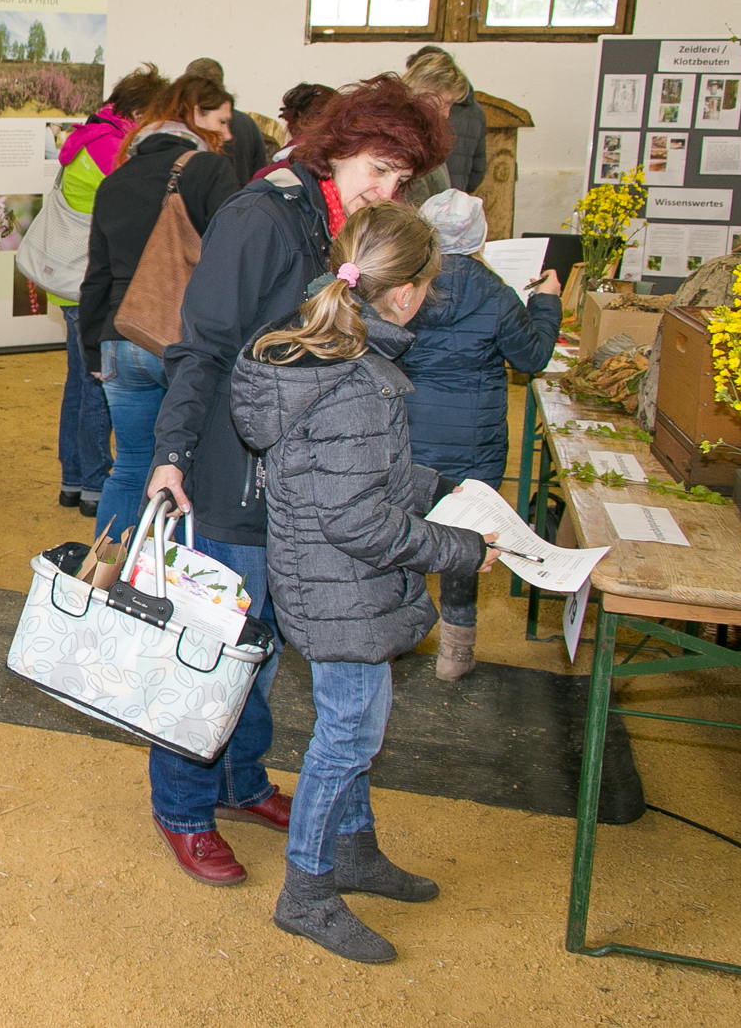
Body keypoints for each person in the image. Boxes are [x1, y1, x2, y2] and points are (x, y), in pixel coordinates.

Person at [144, 76, 454, 887]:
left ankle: (243, 780)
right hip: (232, 478)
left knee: (269, 646)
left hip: (303, 486)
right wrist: (170, 453)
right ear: (340, 145)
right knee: (213, 652)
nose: (388, 192)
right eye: (380, 170)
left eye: (401, 181)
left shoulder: (340, 224)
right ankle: (182, 805)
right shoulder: (262, 216)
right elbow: (200, 346)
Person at [229, 201, 499, 964]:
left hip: (329, 577)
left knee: (355, 724)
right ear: (407, 293)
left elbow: (341, 472)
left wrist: (435, 484)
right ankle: (307, 890)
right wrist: (459, 549)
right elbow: (359, 521)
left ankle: (354, 849)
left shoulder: (323, 354)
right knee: (348, 734)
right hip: (342, 580)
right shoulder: (356, 381)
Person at [399, 190, 562, 678]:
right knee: (469, 541)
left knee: (400, 532)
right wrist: (547, 304)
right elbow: (531, 358)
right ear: (480, 236)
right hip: (476, 442)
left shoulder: (404, 285)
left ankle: (396, 637)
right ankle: (456, 652)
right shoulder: (496, 293)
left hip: (408, 432)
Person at [80, 76, 243, 541]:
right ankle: (165, 584)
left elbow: (96, 277)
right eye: (222, 123)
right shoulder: (210, 171)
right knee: (185, 469)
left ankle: (103, 580)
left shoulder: (113, 183)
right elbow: (232, 257)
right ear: (194, 119)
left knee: (129, 465)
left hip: (120, 336)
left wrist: (94, 352)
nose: (228, 134)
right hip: (185, 341)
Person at [51, 65, 168, 515]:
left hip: (72, 277)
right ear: (138, 111)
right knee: (99, 386)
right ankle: (96, 483)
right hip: (93, 280)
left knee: (79, 385)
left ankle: (74, 479)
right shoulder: (112, 151)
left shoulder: (87, 137)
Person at [404, 46, 486, 193]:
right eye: (446, 103)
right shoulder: (407, 129)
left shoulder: (429, 131)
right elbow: (478, 171)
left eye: (451, 104)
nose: (447, 114)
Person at [184, 58, 270, 182]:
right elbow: (261, 173)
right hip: (242, 197)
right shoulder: (247, 123)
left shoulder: (191, 122)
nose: (227, 135)